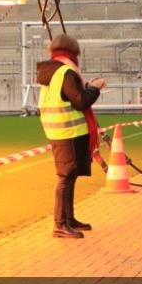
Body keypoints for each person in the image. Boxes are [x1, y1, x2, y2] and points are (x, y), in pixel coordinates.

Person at [36, 34, 105, 239]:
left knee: (70, 176)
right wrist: (95, 88)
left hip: (59, 131)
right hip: (69, 132)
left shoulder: (51, 71)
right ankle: (60, 223)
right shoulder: (66, 72)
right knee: (65, 177)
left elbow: (69, 97)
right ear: (73, 52)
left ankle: (69, 218)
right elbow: (80, 101)